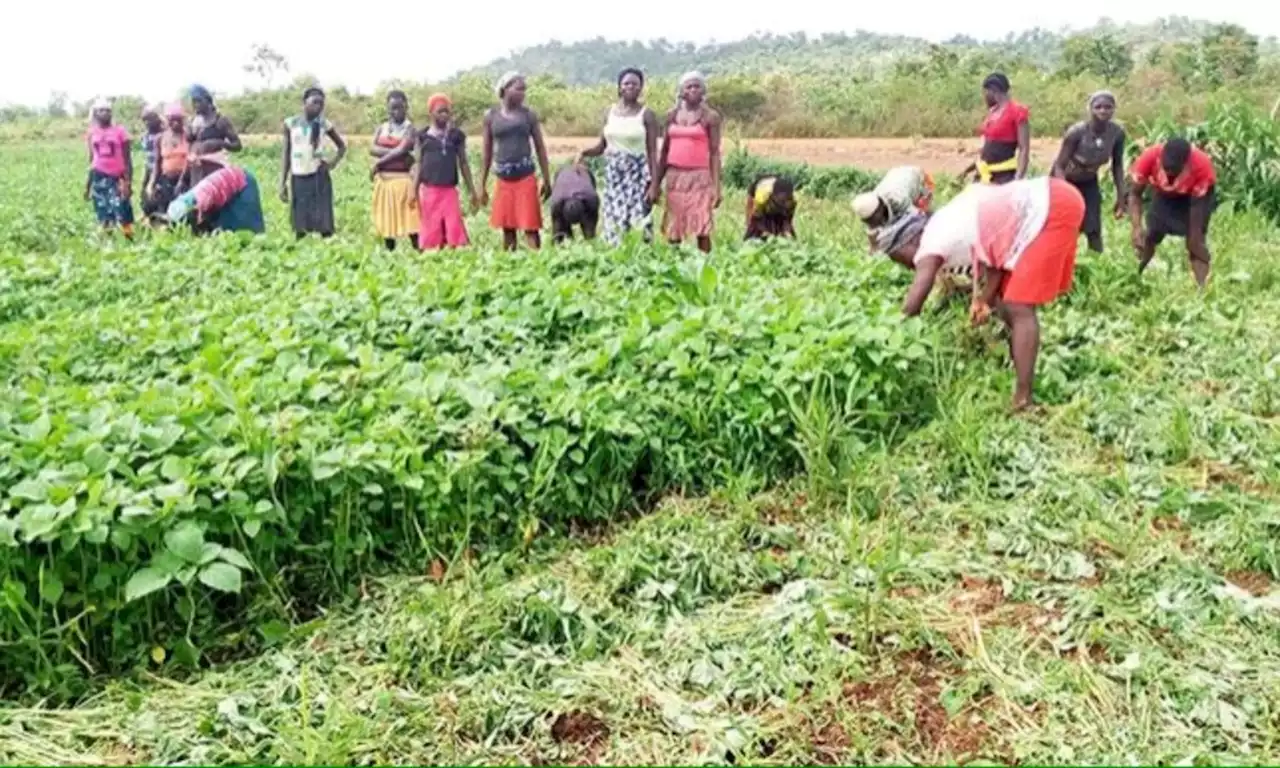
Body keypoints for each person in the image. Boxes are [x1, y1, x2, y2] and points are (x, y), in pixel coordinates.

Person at [891, 177, 1085, 410]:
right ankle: (1014, 356)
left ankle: (1023, 401)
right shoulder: (944, 220)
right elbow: (994, 261)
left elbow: (914, 302)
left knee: (1019, 305)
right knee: (1003, 297)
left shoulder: (931, 245)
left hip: (1050, 206)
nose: (908, 264)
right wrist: (982, 300)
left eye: (901, 257)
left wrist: (892, 333)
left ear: (910, 242)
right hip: (1043, 200)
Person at [577, 68, 660, 245]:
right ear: (619, 87)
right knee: (614, 218)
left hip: (637, 174)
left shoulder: (647, 115)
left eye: (635, 84)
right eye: (626, 83)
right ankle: (615, 260)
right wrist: (584, 153)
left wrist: (654, 184)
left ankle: (641, 260)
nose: (631, 87)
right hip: (614, 175)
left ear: (641, 88)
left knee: (638, 218)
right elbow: (602, 146)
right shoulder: (610, 113)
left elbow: (653, 152)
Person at [1128, 137, 1216, 289]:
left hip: (1193, 197)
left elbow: (1196, 207)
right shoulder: (1149, 157)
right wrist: (1136, 227)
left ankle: (1202, 289)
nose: (1169, 174)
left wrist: (1195, 239)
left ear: (1185, 164)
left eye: (1174, 171)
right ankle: (1135, 275)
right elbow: (1135, 194)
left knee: (1195, 242)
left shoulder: (1201, 166)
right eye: (1166, 169)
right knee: (1150, 235)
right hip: (1164, 194)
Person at [650, 71, 722, 253]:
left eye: (697, 86)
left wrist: (716, 187)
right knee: (674, 224)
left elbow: (714, 153)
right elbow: (664, 151)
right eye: (689, 86)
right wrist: (656, 183)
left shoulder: (710, 117)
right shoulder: (671, 116)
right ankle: (675, 264)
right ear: (681, 91)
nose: (693, 90)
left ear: (703, 90)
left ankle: (705, 265)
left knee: (702, 225)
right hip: (675, 177)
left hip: (699, 177)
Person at [480, 72, 553, 251]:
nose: (523, 93)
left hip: (525, 177)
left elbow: (540, 148)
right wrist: (481, 185)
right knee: (508, 228)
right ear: (505, 89)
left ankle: (537, 265)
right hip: (503, 179)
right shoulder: (491, 116)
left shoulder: (529, 115)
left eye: (524, 90)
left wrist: (546, 178)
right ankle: (509, 266)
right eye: (518, 89)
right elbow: (487, 152)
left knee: (530, 227)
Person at [1052, 91, 1126, 253]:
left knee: (1093, 227)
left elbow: (1118, 165)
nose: (1103, 111)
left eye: (1108, 107)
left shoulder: (1116, 134)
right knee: (1065, 226)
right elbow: (1059, 166)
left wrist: (1121, 196)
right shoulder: (1076, 132)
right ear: (1090, 109)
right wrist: (1064, 193)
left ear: (1114, 109)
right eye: (1098, 107)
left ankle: (1097, 267)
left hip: (1089, 180)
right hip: (1066, 180)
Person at [280, 87, 347, 239]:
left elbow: (341, 146)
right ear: (304, 102)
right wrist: (282, 182)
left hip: (319, 176)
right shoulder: (291, 124)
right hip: (298, 176)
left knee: (324, 224)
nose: (319, 107)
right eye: (315, 102)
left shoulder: (324, 124)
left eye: (321, 104)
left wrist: (332, 163)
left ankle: (327, 255)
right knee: (300, 224)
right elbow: (286, 154)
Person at [416, 93, 478, 250]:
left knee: (452, 230)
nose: (444, 115)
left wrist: (471, 191)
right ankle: (434, 263)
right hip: (429, 191)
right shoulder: (423, 137)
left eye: (447, 111)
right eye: (440, 111)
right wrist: (413, 190)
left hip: (449, 191)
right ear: (431, 113)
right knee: (431, 231)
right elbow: (419, 163)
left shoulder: (456, 136)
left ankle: (451, 263)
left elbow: (463, 163)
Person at [370, 90, 419, 250]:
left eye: (400, 107)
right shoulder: (382, 128)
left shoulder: (410, 129)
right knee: (387, 221)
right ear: (388, 108)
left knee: (411, 221)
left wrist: (379, 163)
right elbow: (372, 149)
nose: (396, 111)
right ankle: (389, 255)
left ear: (406, 107)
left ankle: (420, 253)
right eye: (392, 108)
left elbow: (404, 148)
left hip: (403, 180)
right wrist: (397, 152)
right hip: (384, 181)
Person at [853, 165, 935, 259]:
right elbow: (873, 242)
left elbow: (919, 218)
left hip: (921, 179)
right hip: (898, 176)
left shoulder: (898, 200)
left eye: (872, 220)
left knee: (922, 222)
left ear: (880, 208)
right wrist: (873, 252)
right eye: (867, 221)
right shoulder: (870, 208)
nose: (872, 224)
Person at [166, 158, 265, 235]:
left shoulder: (201, 199)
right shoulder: (182, 202)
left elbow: (201, 217)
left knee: (244, 224)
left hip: (243, 182)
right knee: (222, 223)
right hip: (224, 189)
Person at [964, 73, 1030, 185]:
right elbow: (987, 149)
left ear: (994, 90)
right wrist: (966, 171)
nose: (984, 96)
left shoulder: (1018, 112)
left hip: (1004, 176)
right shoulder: (992, 113)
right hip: (985, 174)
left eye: (986, 92)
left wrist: (1018, 179)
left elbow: (1024, 149)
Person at [84, 99, 134, 237]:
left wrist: (128, 182)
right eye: (101, 110)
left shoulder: (120, 132)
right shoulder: (91, 133)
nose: (105, 113)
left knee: (123, 211)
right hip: (99, 177)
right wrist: (87, 186)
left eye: (108, 110)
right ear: (96, 113)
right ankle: (108, 241)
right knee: (103, 212)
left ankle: (130, 239)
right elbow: (91, 160)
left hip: (117, 177)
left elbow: (127, 159)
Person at [186, 85, 242, 187]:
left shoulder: (220, 121)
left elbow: (237, 145)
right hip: (197, 173)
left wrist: (219, 143)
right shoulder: (194, 122)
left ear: (207, 101)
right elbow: (190, 146)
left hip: (215, 173)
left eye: (198, 101)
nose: (195, 105)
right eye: (193, 102)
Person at [147, 103, 189, 221]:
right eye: (171, 119)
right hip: (166, 179)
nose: (175, 123)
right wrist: (151, 183)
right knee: (161, 208)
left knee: (183, 210)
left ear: (183, 120)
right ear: (166, 120)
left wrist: (182, 181)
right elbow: (157, 163)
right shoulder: (160, 138)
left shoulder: (189, 136)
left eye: (178, 119)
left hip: (186, 179)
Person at [549, 163, 600, 243]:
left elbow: (591, 232)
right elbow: (556, 236)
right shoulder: (556, 203)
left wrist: (590, 236)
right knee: (560, 230)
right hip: (563, 172)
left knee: (590, 233)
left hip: (583, 172)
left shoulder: (591, 199)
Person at [744, 175, 796, 240]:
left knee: (787, 236)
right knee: (754, 230)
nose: (785, 201)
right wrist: (764, 232)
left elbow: (787, 220)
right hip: (760, 197)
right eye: (782, 200)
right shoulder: (762, 198)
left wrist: (787, 232)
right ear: (774, 194)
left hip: (773, 194)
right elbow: (756, 219)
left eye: (787, 198)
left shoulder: (791, 202)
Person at [139, 104, 164, 219]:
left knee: (159, 193)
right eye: (145, 120)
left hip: (162, 168)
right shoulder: (145, 136)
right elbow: (147, 157)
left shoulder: (164, 134)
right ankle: (146, 214)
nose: (148, 123)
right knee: (144, 191)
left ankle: (158, 217)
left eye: (150, 119)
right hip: (149, 167)